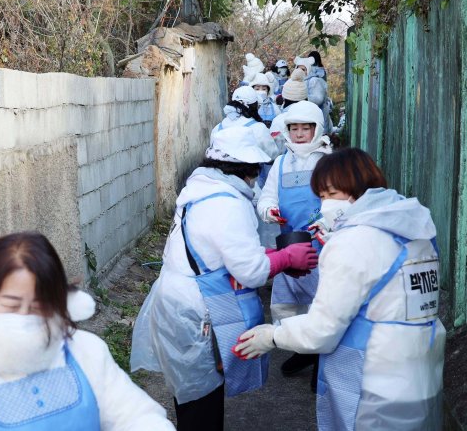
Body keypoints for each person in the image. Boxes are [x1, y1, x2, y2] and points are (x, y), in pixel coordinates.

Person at [235, 148, 446, 431]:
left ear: (357, 188)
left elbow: (322, 330)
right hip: (421, 374)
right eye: (322, 196)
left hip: (372, 383)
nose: (325, 205)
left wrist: (272, 336)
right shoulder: (415, 229)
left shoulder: (353, 242)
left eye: (332, 194)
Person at [130, 127, 318, 431]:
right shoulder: (228, 203)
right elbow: (251, 271)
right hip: (195, 310)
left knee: (190, 395)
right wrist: (285, 258)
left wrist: (273, 254)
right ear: (249, 168)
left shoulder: (202, 189)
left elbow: (222, 251)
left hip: (176, 299)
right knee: (202, 403)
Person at [0, 232, 174, 431]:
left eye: (38, 306)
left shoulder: (84, 351)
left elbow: (135, 415)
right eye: (11, 305)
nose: (24, 318)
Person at [256, 100, 332, 380]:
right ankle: (303, 348)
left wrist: (325, 222)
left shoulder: (328, 162)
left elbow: (338, 202)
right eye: (294, 128)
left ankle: (322, 356)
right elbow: (266, 196)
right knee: (290, 303)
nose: (299, 134)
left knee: (323, 301)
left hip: (322, 245)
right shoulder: (280, 163)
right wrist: (269, 211)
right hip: (289, 244)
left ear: (317, 129)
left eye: (305, 128)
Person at [211, 85, 278, 162]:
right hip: (250, 169)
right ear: (255, 106)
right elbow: (272, 155)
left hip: (221, 168)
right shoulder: (259, 128)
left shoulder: (217, 128)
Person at [294, 55, 332, 132]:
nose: (300, 71)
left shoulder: (314, 80)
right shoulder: (296, 81)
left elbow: (319, 99)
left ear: (308, 69)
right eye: (299, 69)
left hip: (317, 120)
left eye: (303, 69)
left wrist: (302, 97)